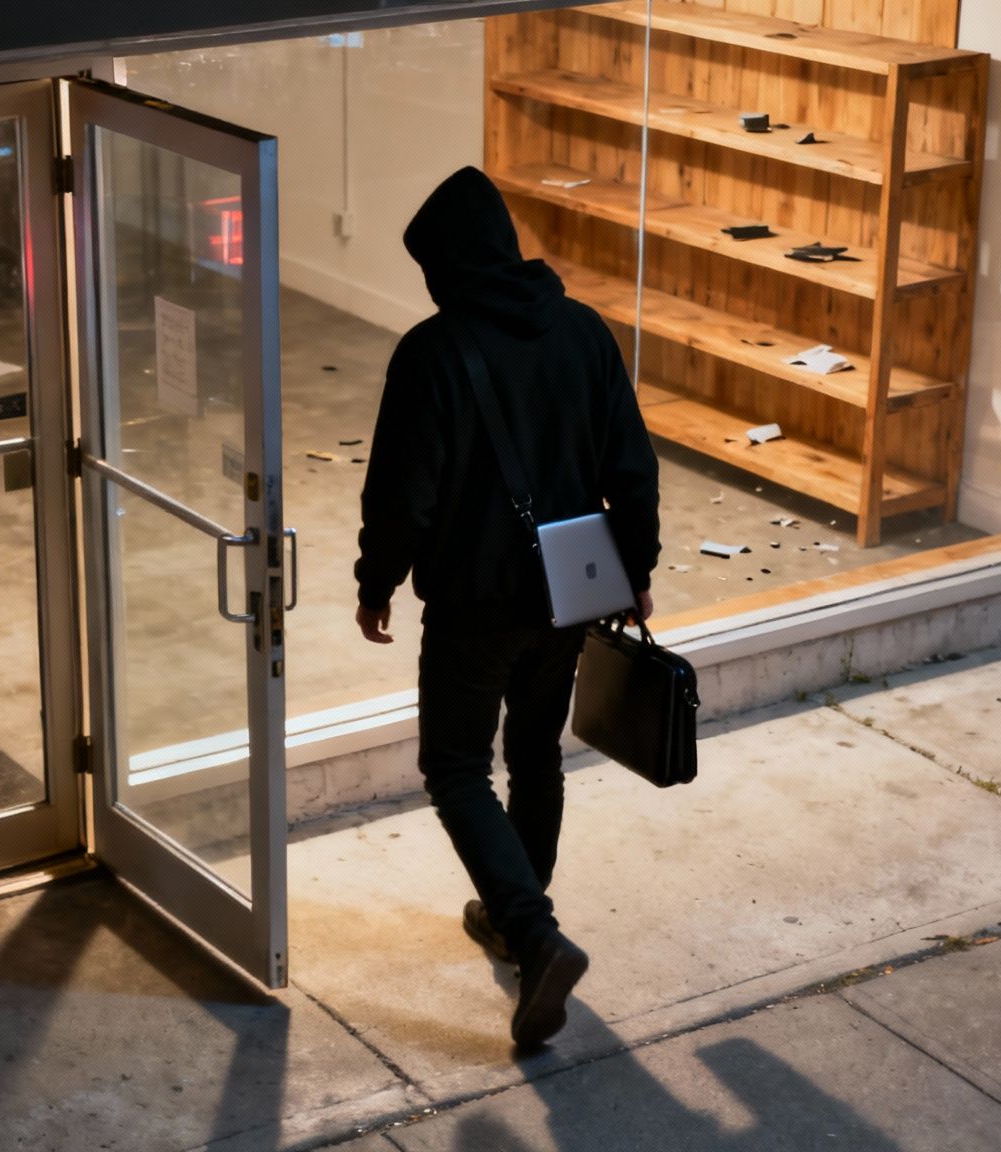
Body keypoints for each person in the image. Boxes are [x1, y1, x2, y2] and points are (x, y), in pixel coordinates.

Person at [353, 166, 661, 1051]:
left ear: (448, 263)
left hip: (474, 601)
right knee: (535, 754)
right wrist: (634, 568)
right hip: (569, 596)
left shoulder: (433, 353)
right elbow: (630, 467)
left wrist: (378, 581)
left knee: (453, 766)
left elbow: (402, 496)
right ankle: (521, 920)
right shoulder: (582, 332)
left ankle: (531, 932)